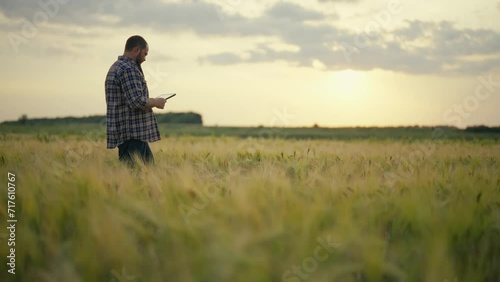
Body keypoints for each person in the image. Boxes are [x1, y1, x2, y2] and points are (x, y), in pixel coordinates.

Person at [105, 35, 166, 166]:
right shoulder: (128, 69)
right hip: (132, 133)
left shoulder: (117, 66)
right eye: (145, 53)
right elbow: (136, 101)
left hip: (130, 134)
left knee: (145, 175)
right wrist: (156, 102)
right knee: (136, 176)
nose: (145, 58)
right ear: (137, 50)